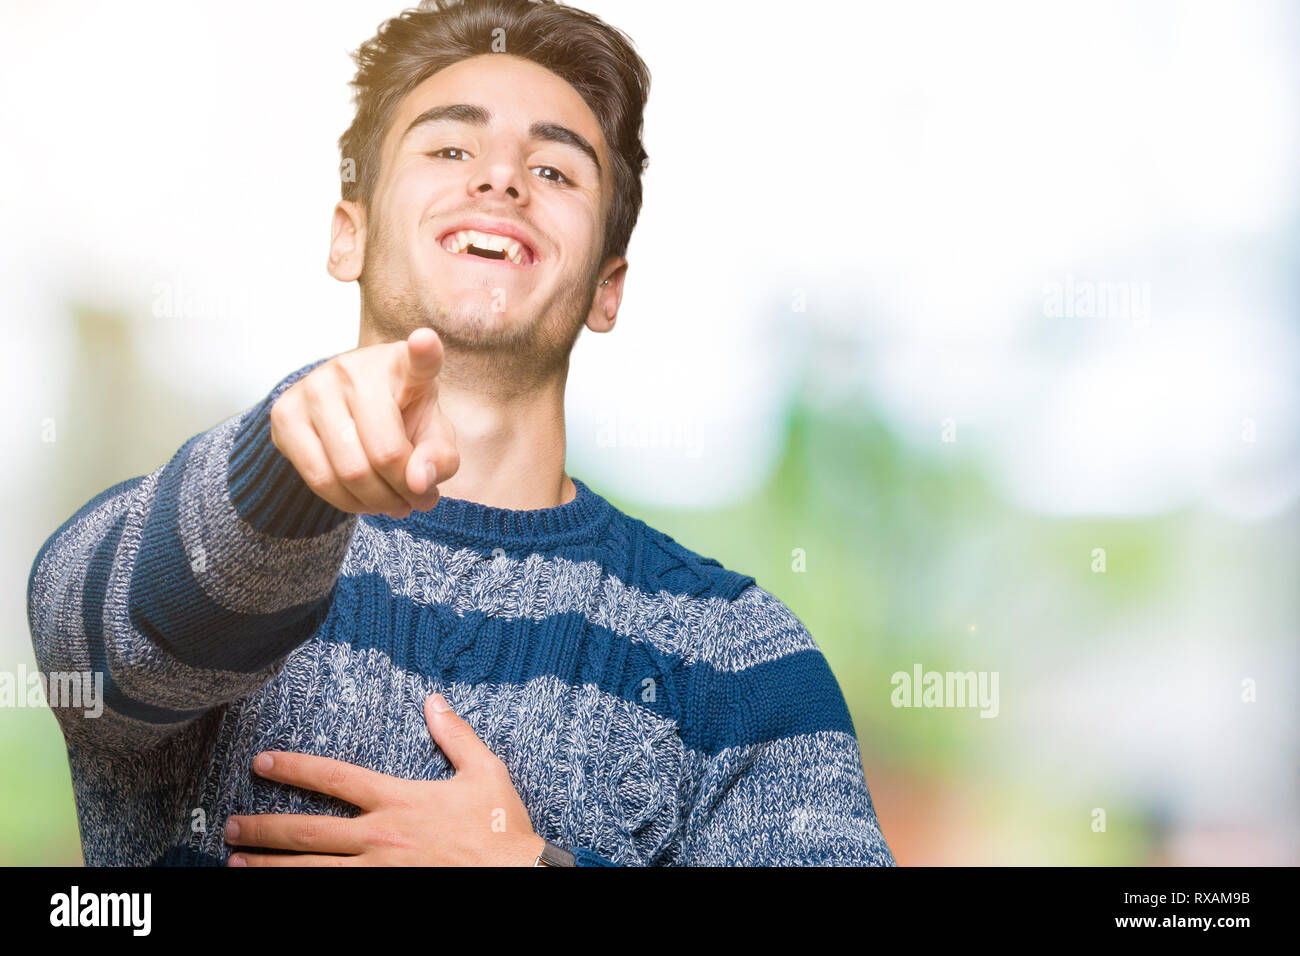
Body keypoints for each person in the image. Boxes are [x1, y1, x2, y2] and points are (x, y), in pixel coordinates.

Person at [26, 0, 895, 866]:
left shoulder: (740, 659)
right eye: (449, 148)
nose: (502, 180)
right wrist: (280, 477)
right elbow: (92, 659)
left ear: (607, 288)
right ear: (348, 236)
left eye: (555, 171)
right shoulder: (180, 532)